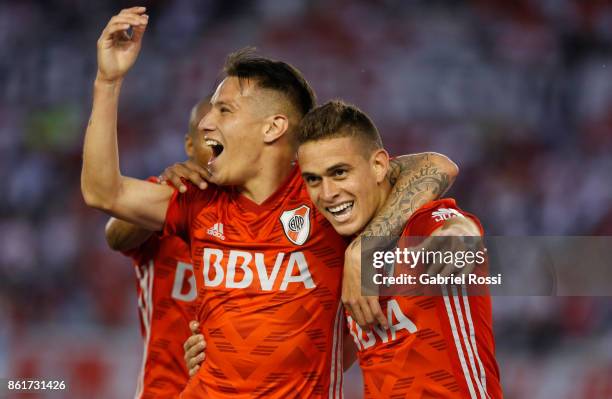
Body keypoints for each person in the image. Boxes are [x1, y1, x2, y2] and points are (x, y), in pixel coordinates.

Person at [81, 7, 458, 397]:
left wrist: (366, 245)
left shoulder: (324, 195)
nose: (207, 123)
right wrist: (107, 80)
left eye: (224, 110)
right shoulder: (198, 201)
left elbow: (435, 165)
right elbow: (103, 192)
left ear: (273, 127)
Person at [296, 100, 503, 398]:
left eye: (340, 173)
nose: (327, 193)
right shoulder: (340, 249)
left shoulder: (422, 226)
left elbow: (457, 230)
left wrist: (462, 235)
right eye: (314, 179)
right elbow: (334, 360)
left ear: (379, 166)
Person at [104, 98, 211, 398]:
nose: (218, 144)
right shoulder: (166, 199)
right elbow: (115, 235)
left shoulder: (259, 217)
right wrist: (167, 192)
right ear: (189, 146)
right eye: (208, 135)